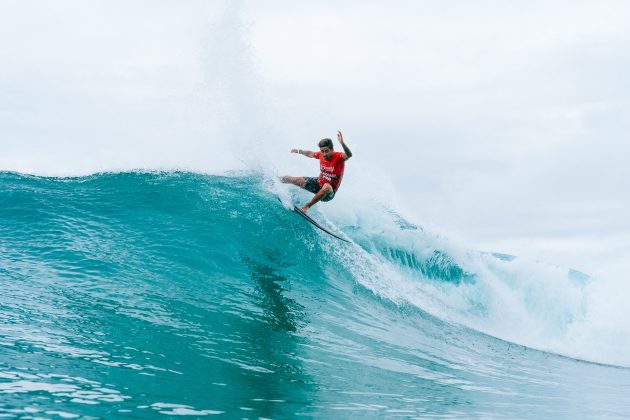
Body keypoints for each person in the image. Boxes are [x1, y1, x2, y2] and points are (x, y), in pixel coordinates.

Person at [281, 130, 352, 213]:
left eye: (327, 151)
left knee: (327, 186)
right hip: (318, 183)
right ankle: (273, 180)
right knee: (292, 179)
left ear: (332, 149)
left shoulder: (339, 157)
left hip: (328, 193)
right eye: (322, 151)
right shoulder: (320, 154)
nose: (324, 154)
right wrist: (299, 151)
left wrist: (342, 143)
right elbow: (310, 153)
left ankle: (306, 207)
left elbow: (349, 155)